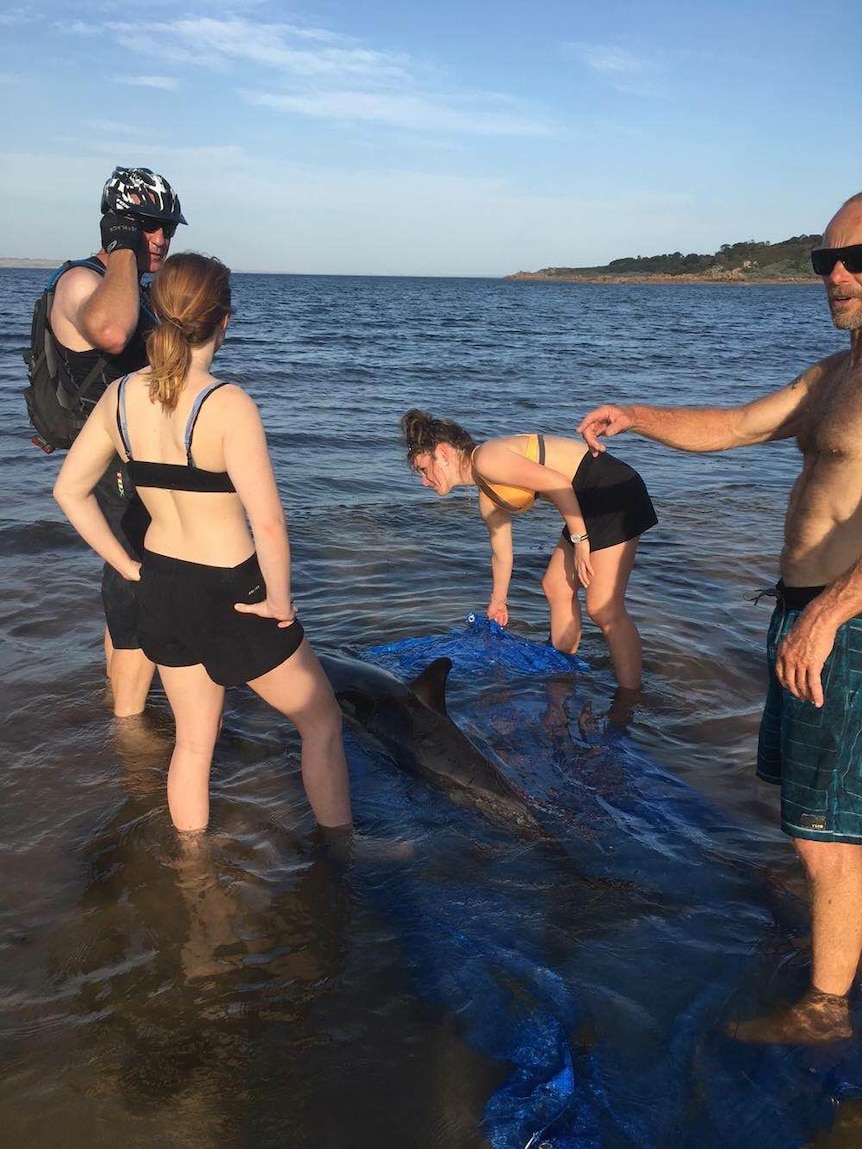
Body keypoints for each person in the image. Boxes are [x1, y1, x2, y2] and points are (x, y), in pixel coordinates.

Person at [577, 191, 862, 1044]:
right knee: (814, 813)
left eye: (858, 259)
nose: (838, 275)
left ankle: (824, 1010)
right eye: (825, 261)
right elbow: (737, 425)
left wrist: (832, 615)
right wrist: (638, 418)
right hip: (806, 613)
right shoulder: (834, 376)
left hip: (845, 624)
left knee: (828, 837)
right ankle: (830, 927)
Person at [53, 253, 353, 842]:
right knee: (321, 720)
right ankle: (344, 856)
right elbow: (268, 524)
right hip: (231, 590)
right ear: (224, 322)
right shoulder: (227, 405)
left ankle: (191, 872)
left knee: (192, 743)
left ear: (155, 316)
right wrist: (281, 605)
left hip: (161, 583)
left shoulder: (119, 397)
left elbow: (69, 490)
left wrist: (127, 565)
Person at [49, 166, 186, 717]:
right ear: (121, 225)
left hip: (127, 464)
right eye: (149, 225)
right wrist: (123, 250)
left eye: (168, 227)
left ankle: (120, 701)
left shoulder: (126, 289)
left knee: (125, 583)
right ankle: (130, 737)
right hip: (114, 471)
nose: (162, 238)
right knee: (137, 587)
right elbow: (109, 333)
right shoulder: (84, 282)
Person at [401, 409, 657, 690]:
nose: (425, 481)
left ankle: (631, 697)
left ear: (444, 452)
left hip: (611, 490)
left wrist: (580, 541)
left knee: (603, 607)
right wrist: (498, 601)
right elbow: (501, 552)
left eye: (424, 469)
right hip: (586, 502)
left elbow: (559, 483)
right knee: (556, 587)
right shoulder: (487, 495)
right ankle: (563, 672)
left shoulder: (487, 458)